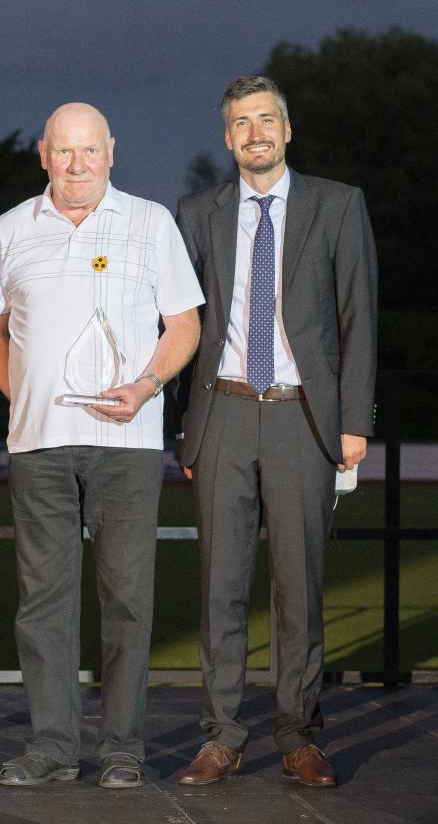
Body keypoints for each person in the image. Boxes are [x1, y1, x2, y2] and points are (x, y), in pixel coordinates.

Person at [0, 103, 203, 789]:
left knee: (127, 599)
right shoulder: (12, 228)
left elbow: (184, 324)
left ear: (112, 151)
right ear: (44, 153)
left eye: (90, 151)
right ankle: (50, 746)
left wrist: (148, 384)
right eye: (64, 152)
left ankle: (123, 749)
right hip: (38, 445)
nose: (77, 165)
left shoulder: (150, 222)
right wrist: (27, 395)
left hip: (126, 442)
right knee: (42, 602)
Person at [174, 76, 377, 789]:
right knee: (220, 587)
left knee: (300, 585)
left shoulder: (338, 204)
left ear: (287, 130)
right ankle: (220, 737)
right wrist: (187, 431)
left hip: (303, 417)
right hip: (223, 413)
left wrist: (354, 422)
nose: (254, 132)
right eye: (240, 122)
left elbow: (358, 318)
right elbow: (180, 324)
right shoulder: (197, 212)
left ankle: (299, 734)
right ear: (227, 138)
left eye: (267, 119)